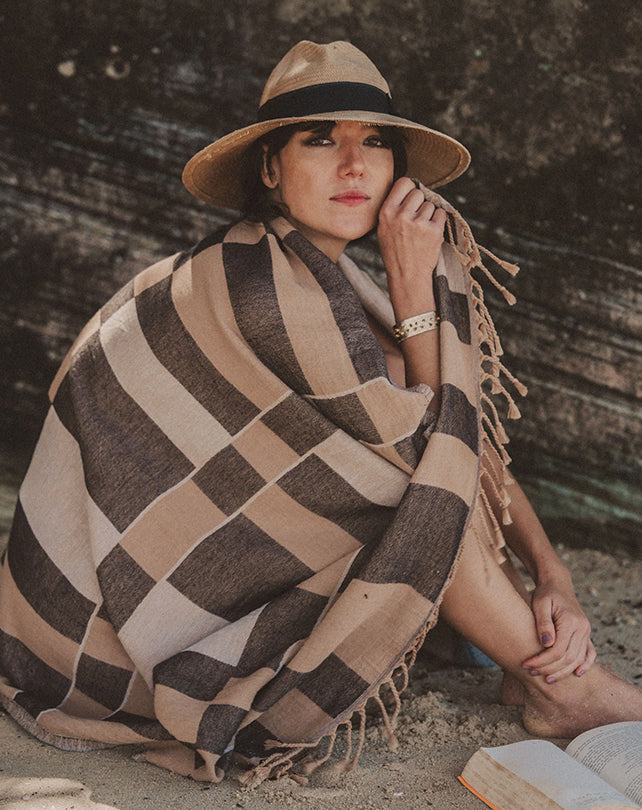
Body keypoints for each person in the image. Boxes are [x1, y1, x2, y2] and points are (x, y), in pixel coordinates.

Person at [0, 40, 640, 787]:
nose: (354, 164)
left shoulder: (325, 282)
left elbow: (457, 443)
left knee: (408, 412)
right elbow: (432, 462)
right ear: (271, 169)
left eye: (374, 141)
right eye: (320, 139)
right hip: (111, 629)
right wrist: (412, 289)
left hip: (202, 567)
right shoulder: (258, 289)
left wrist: (551, 573)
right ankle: (565, 689)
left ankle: (532, 658)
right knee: (407, 485)